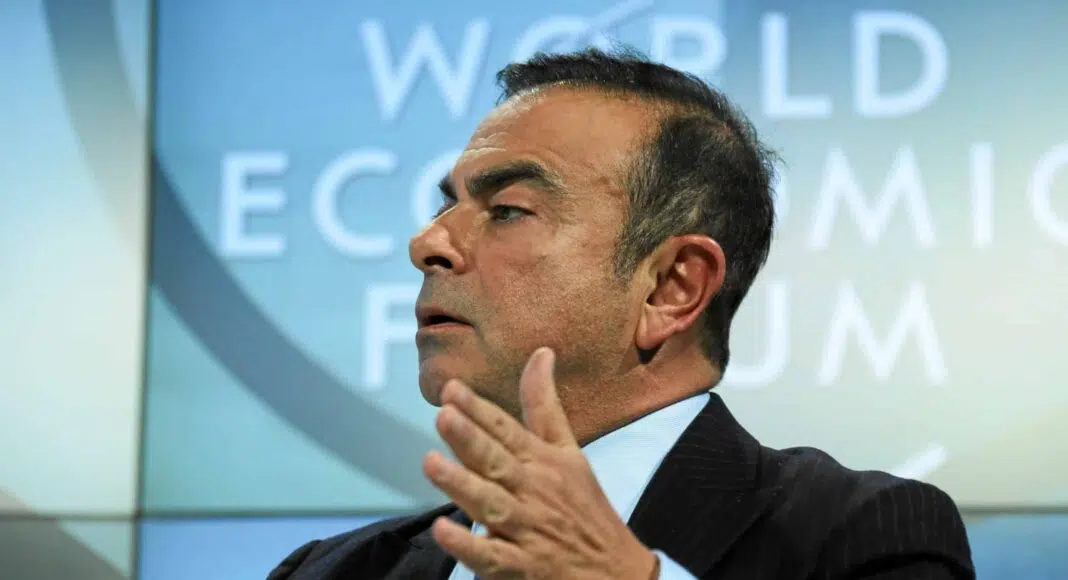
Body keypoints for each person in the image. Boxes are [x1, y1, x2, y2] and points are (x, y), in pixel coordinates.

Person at [267, 48, 975, 580]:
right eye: (446, 204)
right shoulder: (331, 571)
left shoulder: (864, 537)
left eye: (507, 209)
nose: (427, 243)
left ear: (671, 287)